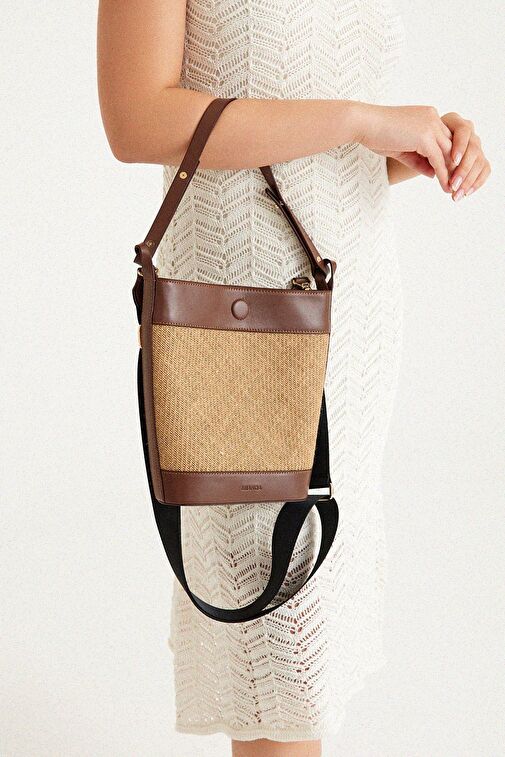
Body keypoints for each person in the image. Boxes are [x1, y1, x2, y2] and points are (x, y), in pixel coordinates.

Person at [97, 1, 491, 755]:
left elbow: (308, 139)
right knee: (280, 660)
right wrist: (357, 119)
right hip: (239, 326)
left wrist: (414, 143)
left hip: (350, 315)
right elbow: (137, 120)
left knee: (315, 654)